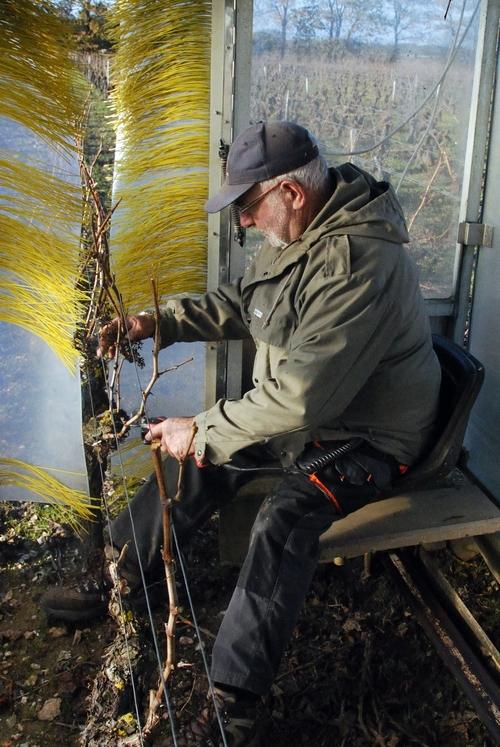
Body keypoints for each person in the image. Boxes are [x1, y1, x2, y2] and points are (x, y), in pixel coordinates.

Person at [42, 121, 441, 746]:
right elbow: (243, 304)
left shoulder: (360, 261)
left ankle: (233, 705)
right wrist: (156, 321)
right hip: (305, 417)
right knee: (197, 459)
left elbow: (304, 395)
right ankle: (121, 573)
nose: (246, 224)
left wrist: (200, 428)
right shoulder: (301, 235)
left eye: (249, 208)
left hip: (367, 436)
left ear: (291, 192)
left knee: (282, 520)